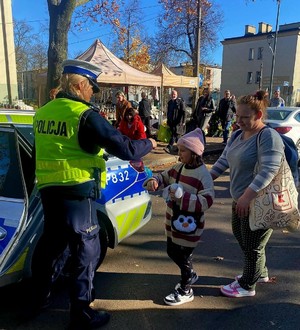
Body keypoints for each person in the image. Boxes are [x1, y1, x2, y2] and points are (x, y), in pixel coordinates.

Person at [31, 59, 157, 329]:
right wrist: (150, 143)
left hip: (48, 191)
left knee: (51, 245)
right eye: (91, 89)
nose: (92, 94)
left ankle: (38, 299)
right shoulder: (84, 115)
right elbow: (125, 149)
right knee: (86, 250)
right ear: (79, 86)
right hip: (77, 191)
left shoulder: (43, 112)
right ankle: (81, 313)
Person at [210, 90, 284, 298]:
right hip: (240, 198)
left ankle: (247, 284)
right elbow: (224, 161)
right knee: (242, 236)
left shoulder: (268, 136)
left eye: (244, 117)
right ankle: (260, 273)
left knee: (253, 245)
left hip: (259, 200)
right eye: (237, 116)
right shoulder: (237, 135)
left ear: (258, 115)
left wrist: (246, 197)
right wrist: (205, 180)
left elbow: (269, 170)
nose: (238, 121)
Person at [144, 128, 214, 306]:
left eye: (183, 150)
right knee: (172, 250)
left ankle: (186, 288)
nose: (179, 153)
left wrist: (184, 197)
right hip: (173, 221)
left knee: (183, 256)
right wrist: (155, 181)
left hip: (191, 226)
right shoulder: (179, 168)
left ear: (195, 153)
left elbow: (207, 200)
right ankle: (190, 274)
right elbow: (164, 176)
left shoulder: (203, 175)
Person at [164, 90, 186, 154]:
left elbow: (184, 112)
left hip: (178, 122)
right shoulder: (170, 102)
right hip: (171, 122)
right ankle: (180, 148)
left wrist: (183, 121)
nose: (173, 95)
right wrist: (168, 121)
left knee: (174, 134)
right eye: (172, 94)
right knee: (177, 137)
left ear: (177, 95)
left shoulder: (180, 102)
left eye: (174, 94)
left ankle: (169, 147)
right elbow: (168, 112)